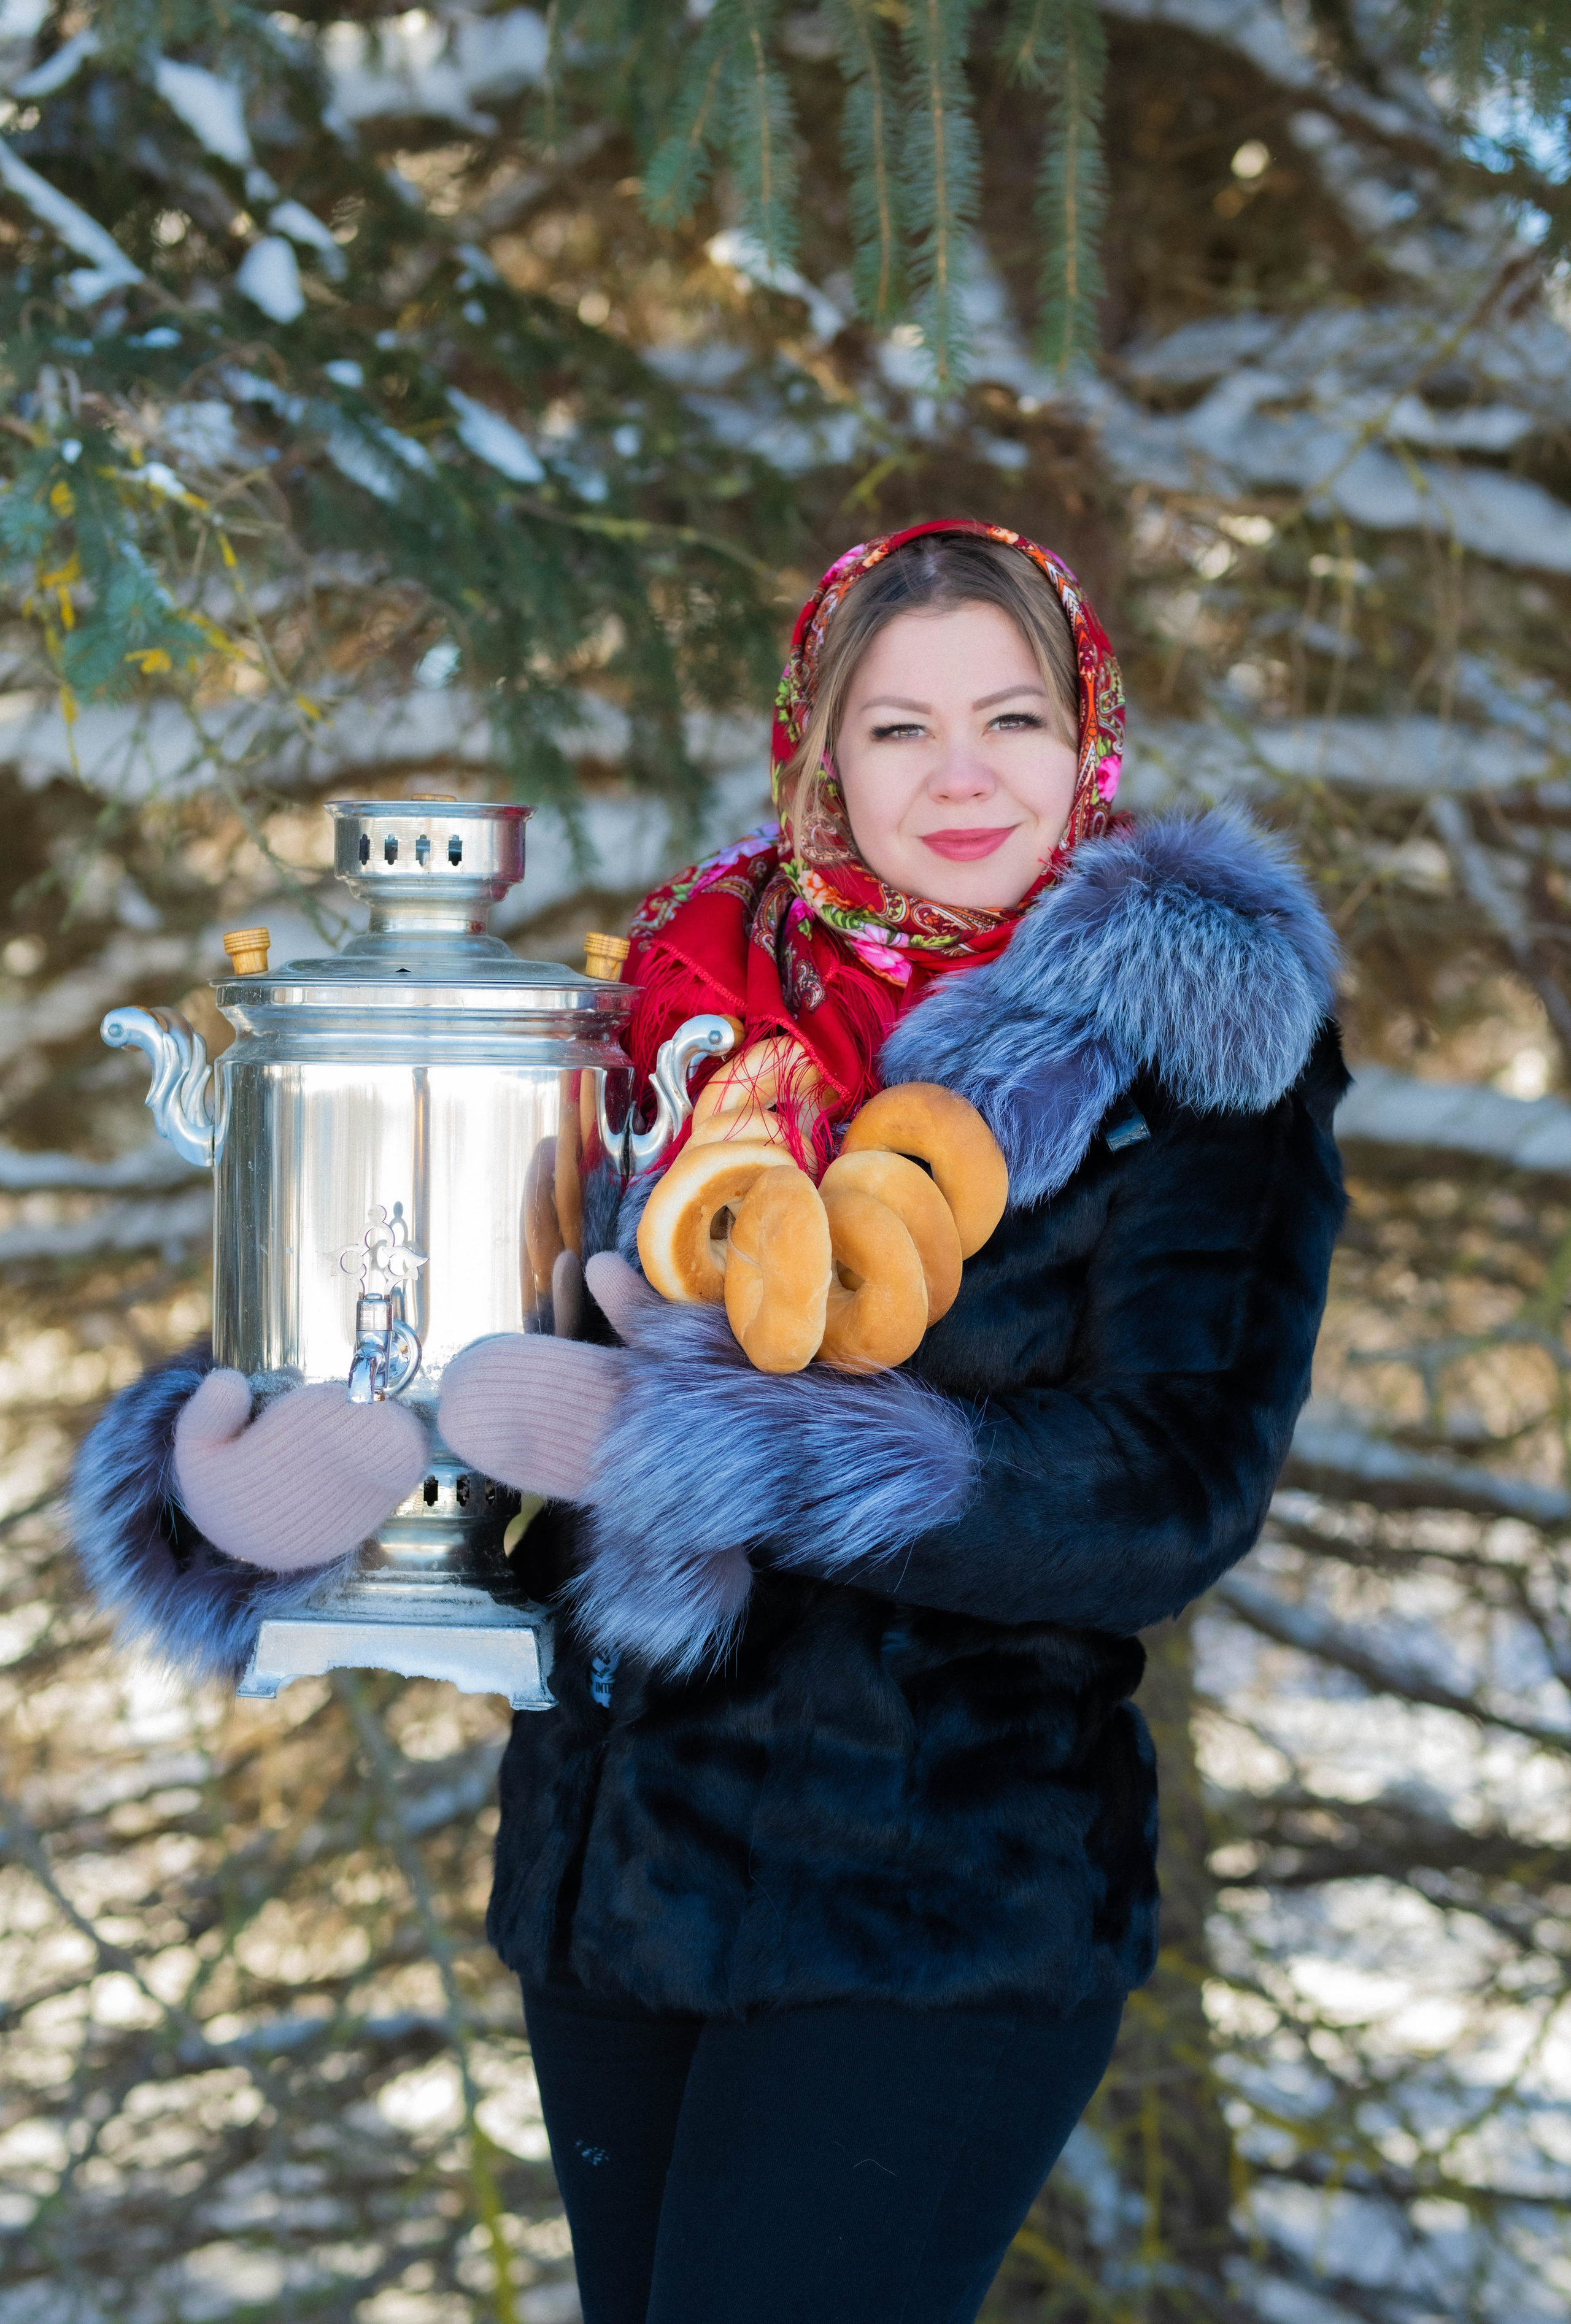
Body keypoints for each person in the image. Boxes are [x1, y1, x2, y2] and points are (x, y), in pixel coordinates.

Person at [75, 520, 1347, 2324]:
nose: (961, 773)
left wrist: (700, 1447)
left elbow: (1169, 1492)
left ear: (1091, 740)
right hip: (619, 1879)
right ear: (821, 752)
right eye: (898, 728)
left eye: (1010, 718)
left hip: (935, 1901)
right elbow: (480, 1345)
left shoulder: (1194, 1050)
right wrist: (294, 1482)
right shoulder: (679, 1002)